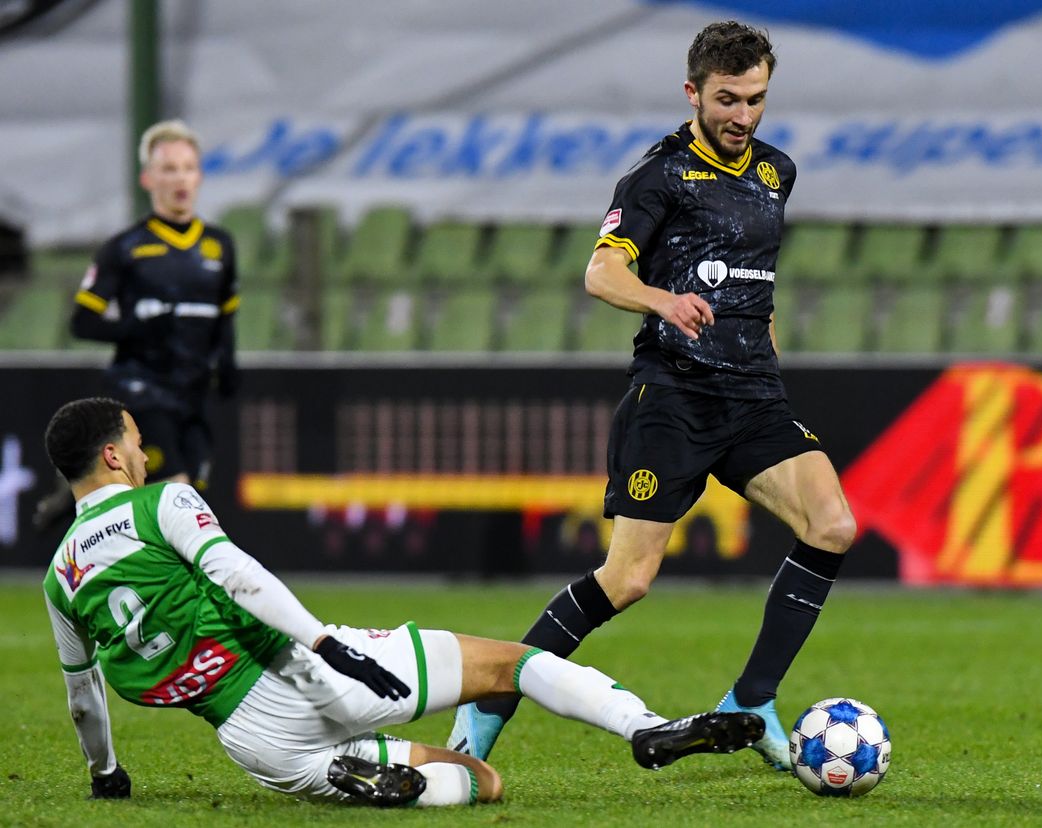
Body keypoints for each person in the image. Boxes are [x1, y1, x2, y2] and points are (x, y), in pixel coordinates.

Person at [449, 20, 855, 772]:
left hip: (753, 398)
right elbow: (600, 273)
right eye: (728, 100)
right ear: (693, 91)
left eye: (756, 101)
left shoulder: (777, 173)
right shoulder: (656, 177)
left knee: (832, 525)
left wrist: (764, 352)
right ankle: (489, 699)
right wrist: (663, 302)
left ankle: (750, 701)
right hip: (673, 396)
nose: (742, 117)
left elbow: (754, 280)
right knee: (627, 580)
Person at [42, 397, 763, 807]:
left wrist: (108, 776)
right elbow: (238, 573)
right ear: (113, 456)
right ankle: (642, 726)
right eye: (134, 444)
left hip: (252, 744)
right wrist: (327, 645)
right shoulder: (157, 502)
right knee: (514, 665)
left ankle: (383, 774)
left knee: (482, 783)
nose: (141, 453)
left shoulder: (59, 577)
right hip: (297, 672)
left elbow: (83, 697)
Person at [33, 119, 238, 530]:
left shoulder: (219, 245)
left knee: (188, 497)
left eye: (188, 167)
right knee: (178, 494)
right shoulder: (125, 248)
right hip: (141, 390)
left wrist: (228, 364)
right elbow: (82, 322)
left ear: (199, 175)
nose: (180, 178)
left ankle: (81, 502)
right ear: (148, 178)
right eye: (168, 168)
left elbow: (224, 316)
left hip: (191, 394)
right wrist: (136, 329)